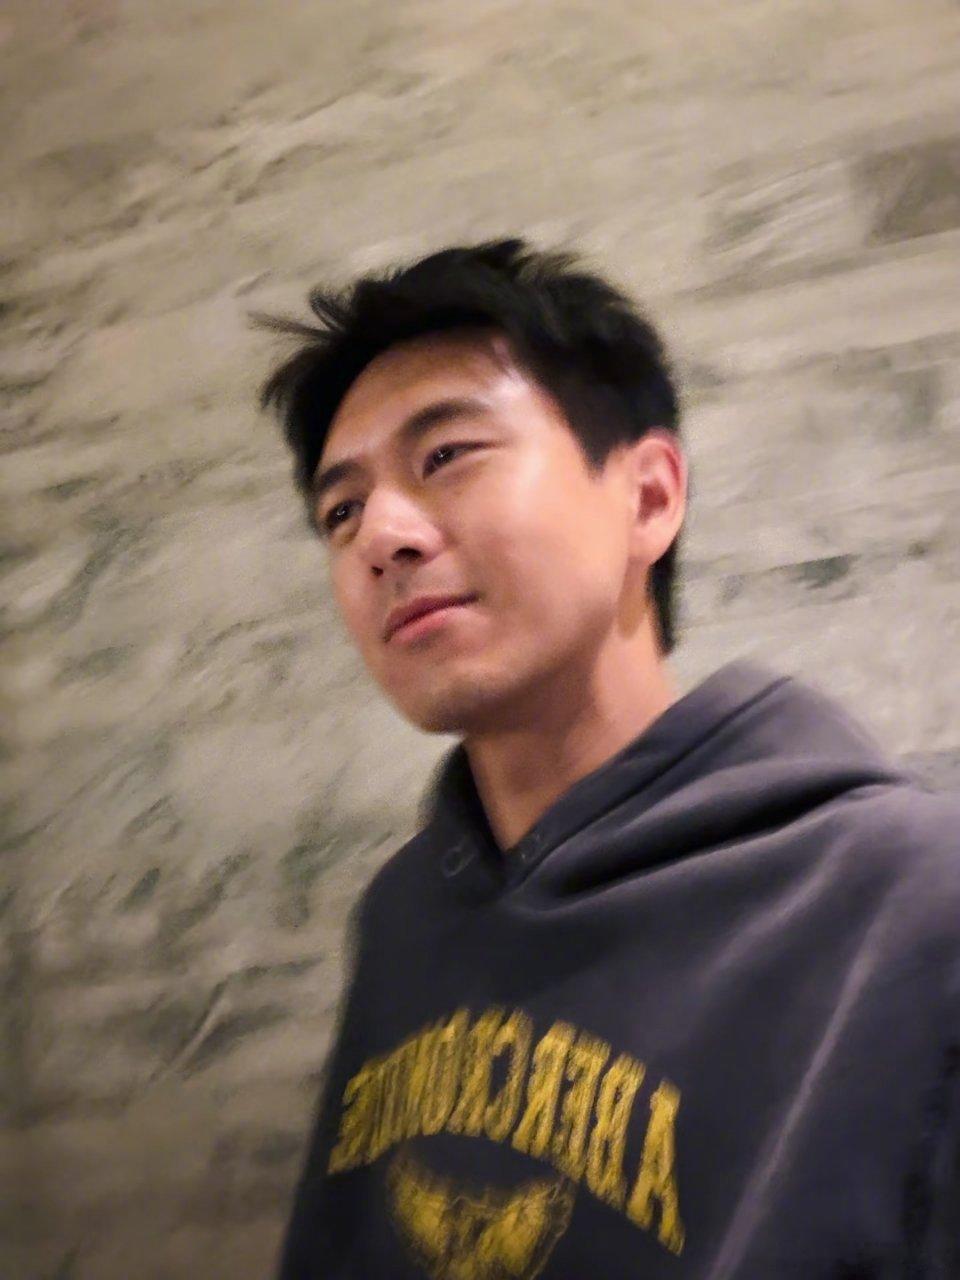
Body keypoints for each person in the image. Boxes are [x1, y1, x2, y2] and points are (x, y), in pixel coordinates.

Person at [258, 239, 960, 1279]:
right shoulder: (404, 915)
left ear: (649, 497)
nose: (381, 537)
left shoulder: (903, 896)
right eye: (341, 509)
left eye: (446, 455)